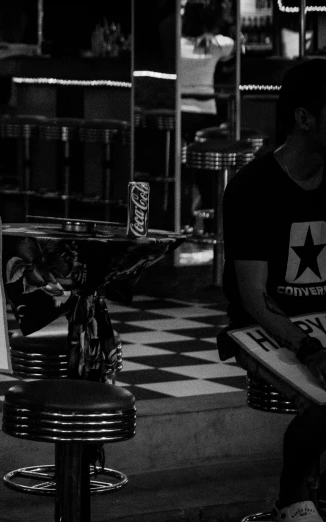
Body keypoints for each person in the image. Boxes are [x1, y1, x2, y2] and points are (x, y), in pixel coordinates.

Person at [220, 58, 326, 522]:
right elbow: (253, 297)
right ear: (305, 118)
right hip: (263, 325)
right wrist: (309, 347)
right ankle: (292, 495)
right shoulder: (254, 187)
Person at [180, 0, 235, 225]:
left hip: (179, 115)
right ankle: (214, 225)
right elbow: (238, 44)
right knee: (207, 176)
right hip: (205, 115)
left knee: (182, 170)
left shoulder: (178, 44)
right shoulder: (218, 44)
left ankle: (182, 220)